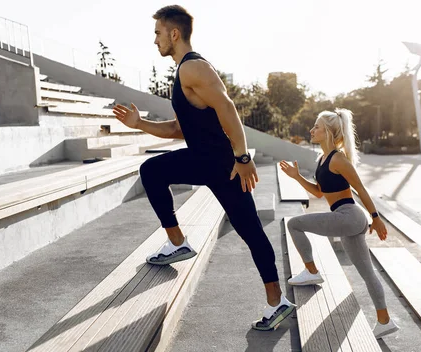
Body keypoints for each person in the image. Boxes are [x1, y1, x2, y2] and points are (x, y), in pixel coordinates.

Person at [113, 5, 295, 330]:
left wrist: (242, 158)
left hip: (221, 164)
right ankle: (179, 243)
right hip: (207, 161)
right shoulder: (184, 72)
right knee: (154, 172)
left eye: (157, 33)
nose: (154, 41)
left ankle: (275, 299)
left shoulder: (193, 67)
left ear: (174, 33)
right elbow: (176, 129)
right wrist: (140, 123)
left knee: (249, 229)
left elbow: (227, 107)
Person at [279, 109, 399, 339]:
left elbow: (360, 188)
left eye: (317, 127)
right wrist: (296, 176)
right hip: (348, 218)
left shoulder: (339, 159)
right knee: (367, 273)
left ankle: (312, 271)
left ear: (329, 133)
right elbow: (318, 193)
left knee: (294, 224)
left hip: (349, 215)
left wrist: (376, 217)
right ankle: (385, 320)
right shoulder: (322, 159)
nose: (311, 130)